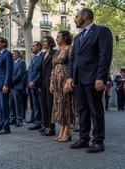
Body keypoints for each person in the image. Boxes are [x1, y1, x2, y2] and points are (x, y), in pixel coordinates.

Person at [65, 8, 113, 153]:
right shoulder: (78, 38)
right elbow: (72, 59)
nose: (75, 19)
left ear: (85, 16)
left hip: (93, 79)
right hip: (78, 80)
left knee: (95, 110)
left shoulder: (101, 31)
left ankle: (98, 141)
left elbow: (105, 56)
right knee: (82, 110)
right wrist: (69, 77)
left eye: (77, 16)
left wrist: (100, 77)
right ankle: (83, 138)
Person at [50, 30, 77, 142]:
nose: (56, 39)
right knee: (59, 105)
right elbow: (53, 68)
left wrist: (69, 81)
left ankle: (67, 131)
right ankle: (62, 129)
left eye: (58, 37)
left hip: (65, 80)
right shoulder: (57, 52)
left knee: (66, 105)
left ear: (65, 38)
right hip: (56, 82)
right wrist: (51, 82)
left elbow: (73, 65)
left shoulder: (70, 49)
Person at [39, 36, 56, 136]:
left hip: (50, 82)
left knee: (50, 105)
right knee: (43, 104)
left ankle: (51, 128)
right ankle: (45, 126)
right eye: (43, 41)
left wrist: (52, 82)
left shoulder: (55, 53)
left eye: (45, 41)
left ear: (50, 42)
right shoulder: (44, 54)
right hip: (43, 83)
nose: (43, 43)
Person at [27, 41, 44, 130]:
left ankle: (42, 123)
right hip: (32, 86)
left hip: (39, 85)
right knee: (36, 105)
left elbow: (41, 72)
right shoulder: (34, 58)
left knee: (41, 105)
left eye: (33, 46)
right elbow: (30, 72)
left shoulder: (42, 56)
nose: (31, 48)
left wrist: (34, 82)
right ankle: (37, 122)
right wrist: (29, 83)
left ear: (39, 47)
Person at [9, 50, 26, 127]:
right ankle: (13, 118)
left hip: (17, 86)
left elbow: (20, 74)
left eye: (14, 54)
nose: (13, 55)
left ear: (18, 55)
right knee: (11, 103)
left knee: (18, 104)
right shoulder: (12, 63)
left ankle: (19, 120)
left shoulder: (22, 63)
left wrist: (11, 80)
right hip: (11, 87)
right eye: (12, 54)